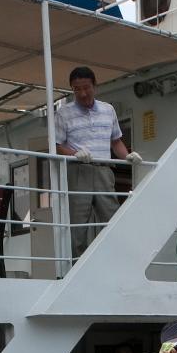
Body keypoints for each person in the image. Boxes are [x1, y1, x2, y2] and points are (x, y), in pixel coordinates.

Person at [55, 66, 143, 257]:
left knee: (111, 219)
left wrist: (127, 155)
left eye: (86, 87)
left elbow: (116, 141)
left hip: (104, 170)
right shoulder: (64, 113)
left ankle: (114, 262)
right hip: (79, 171)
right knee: (78, 225)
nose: (82, 93)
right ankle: (76, 269)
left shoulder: (108, 110)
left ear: (95, 86)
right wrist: (74, 154)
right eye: (76, 89)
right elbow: (57, 146)